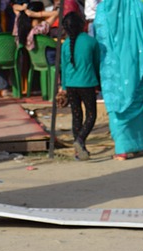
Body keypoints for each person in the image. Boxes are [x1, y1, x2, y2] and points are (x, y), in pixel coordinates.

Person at [94, 0, 143, 160]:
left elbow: (99, 37)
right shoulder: (138, 4)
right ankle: (139, 145)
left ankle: (122, 149)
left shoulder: (103, 8)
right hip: (135, 63)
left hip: (111, 67)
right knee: (136, 103)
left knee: (116, 104)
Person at [58, 12, 100, 161]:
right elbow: (96, 64)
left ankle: (79, 152)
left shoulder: (64, 45)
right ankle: (80, 140)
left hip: (70, 85)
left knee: (77, 116)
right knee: (91, 115)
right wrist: (99, 83)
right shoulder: (91, 42)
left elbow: (63, 67)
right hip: (87, 83)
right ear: (82, 25)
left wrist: (62, 87)